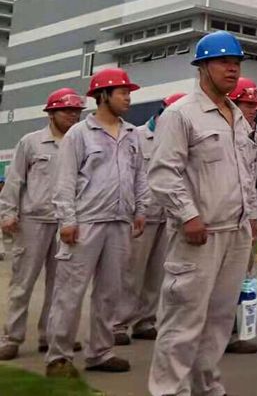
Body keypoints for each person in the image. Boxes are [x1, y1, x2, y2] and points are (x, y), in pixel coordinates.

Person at [147, 31, 257, 396]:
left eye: (236, 62)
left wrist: (251, 216)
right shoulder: (181, 114)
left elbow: (245, 172)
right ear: (202, 67)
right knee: (183, 320)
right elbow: (163, 173)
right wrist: (188, 215)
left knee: (219, 320)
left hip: (235, 233)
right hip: (198, 235)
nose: (233, 69)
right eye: (224, 62)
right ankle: (169, 390)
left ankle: (206, 386)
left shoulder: (237, 117)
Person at [46, 70, 149, 378]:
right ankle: (58, 357)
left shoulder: (132, 134)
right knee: (69, 292)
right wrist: (67, 220)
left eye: (129, 92)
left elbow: (139, 175)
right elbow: (64, 179)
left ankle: (101, 353)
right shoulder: (79, 133)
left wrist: (140, 209)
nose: (128, 98)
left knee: (110, 292)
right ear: (103, 96)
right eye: (122, 92)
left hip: (120, 222)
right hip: (84, 223)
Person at [0, 88, 85, 361]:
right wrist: (7, 213)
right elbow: (15, 180)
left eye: (76, 111)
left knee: (59, 285)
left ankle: (50, 336)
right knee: (22, 283)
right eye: (66, 111)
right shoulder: (31, 142)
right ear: (51, 113)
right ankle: (11, 338)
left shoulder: (80, 143)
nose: (72, 115)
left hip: (66, 223)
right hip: (33, 221)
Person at [114, 93, 186, 346]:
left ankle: (145, 320)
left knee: (157, 273)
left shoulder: (181, 139)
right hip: (141, 215)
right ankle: (117, 323)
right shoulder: (136, 136)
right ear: (162, 111)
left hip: (168, 216)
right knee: (130, 273)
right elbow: (126, 176)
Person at [225, 77, 257, 356]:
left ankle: (237, 329)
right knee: (222, 278)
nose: (253, 109)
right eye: (248, 104)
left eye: (255, 105)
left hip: (249, 214)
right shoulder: (226, 132)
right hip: (225, 213)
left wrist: (255, 215)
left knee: (244, 275)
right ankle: (219, 331)